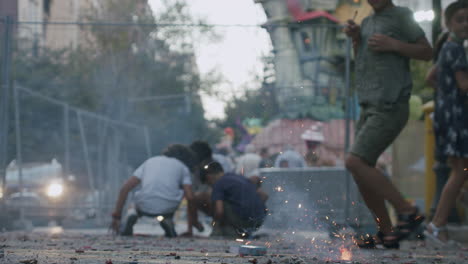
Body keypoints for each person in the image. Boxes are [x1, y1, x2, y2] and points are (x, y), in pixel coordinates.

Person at [344, 0, 432, 249]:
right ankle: (386, 231)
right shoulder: (367, 22)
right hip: (368, 104)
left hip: (390, 103)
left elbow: (427, 51)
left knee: (355, 160)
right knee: (361, 170)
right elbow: (364, 60)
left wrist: (394, 45)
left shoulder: (402, 15)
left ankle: (408, 211)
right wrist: (356, 39)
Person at [423, 0, 468, 245]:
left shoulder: (447, 47)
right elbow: (464, 84)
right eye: (459, 20)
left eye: (467, 19)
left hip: (446, 116)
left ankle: (438, 224)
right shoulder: (457, 49)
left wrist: (444, 98)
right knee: (460, 171)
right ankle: (437, 225)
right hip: (457, 119)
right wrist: (453, 98)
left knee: (459, 171)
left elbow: (431, 77)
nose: (465, 24)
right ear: (449, 23)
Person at [110, 144, 196, 238]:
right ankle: (167, 219)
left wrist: (117, 215)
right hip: (168, 207)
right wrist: (192, 226)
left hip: (143, 205)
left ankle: (132, 213)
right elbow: (190, 197)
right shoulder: (183, 167)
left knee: (134, 204)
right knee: (174, 197)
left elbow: (125, 189)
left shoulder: (149, 162)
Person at [196, 160, 267, 238]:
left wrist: (215, 225)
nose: (210, 186)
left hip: (244, 222)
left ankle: (230, 231)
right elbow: (264, 196)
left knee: (220, 202)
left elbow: (219, 212)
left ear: (208, 177)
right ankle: (241, 231)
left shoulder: (218, 183)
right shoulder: (238, 177)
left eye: (208, 184)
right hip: (259, 221)